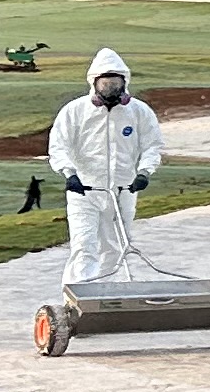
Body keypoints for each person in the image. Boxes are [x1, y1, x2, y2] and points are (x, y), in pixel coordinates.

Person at [47, 47, 163, 286]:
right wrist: (69, 173)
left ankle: (107, 294)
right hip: (85, 191)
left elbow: (153, 145)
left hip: (124, 190)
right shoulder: (75, 111)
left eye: (115, 83)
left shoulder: (139, 112)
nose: (110, 89)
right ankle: (78, 297)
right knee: (83, 245)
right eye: (105, 83)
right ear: (94, 83)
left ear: (125, 82)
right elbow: (58, 146)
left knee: (117, 246)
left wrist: (144, 172)